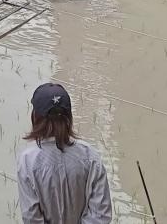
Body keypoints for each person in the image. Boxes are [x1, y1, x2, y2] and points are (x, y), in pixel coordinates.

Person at [16, 83, 113, 224]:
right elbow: (101, 215)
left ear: (35, 117)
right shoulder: (90, 155)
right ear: (69, 117)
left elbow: (31, 218)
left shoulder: (27, 160)